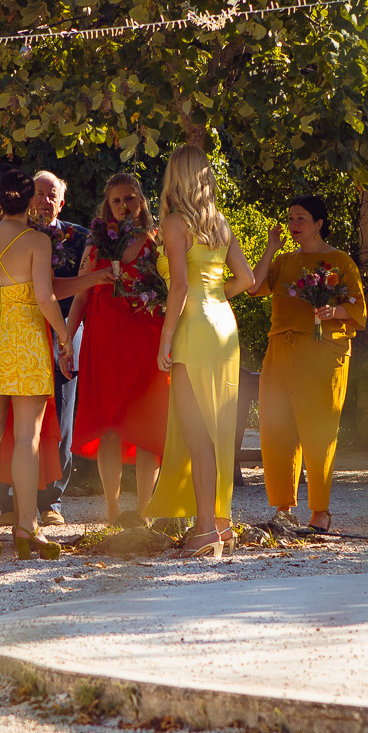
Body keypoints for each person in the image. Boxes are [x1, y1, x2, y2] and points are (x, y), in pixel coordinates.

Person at [143, 145, 255, 558]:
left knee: (198, 432)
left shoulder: (175, 223)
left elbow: (179, 286)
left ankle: (206, 528)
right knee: (220, 427)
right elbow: (246, 280)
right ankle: (220, 524)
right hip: (224, 325)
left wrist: (165, 337)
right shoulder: (219, 224)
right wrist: (216, 298)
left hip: (194, 326)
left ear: (175, 177)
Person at [0, 167, 74, 559]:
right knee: (27, 436)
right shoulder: (37, 241)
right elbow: (45, 297)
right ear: (28, 201)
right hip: (25, 341)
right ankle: (27, 526)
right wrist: (62, 338)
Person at [248, 195, 368, 534]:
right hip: (280, 351)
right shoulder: (284, 260)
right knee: (276, 428)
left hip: (321, 354)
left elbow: (358, 309)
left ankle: (320, 512)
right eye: (290, 218)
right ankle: (283, 509)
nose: (293, 224)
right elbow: (254, 286)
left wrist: (333, 311)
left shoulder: (339, 261)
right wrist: (271, 247)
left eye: (301, 218)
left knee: (318, 431)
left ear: (318, 223)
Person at [65, 172, 166, 525]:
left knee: (145, 425)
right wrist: (66, 341)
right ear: (108, 206)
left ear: (142, 202)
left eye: (130, 199)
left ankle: (143, 512)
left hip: (146, 339)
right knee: (108, 425)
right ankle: (112, 510)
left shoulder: (159, 241)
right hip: (105, 340)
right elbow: (80, 295)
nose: (124, 206)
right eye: (117, 201)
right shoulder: (96, 244)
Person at [0, 168, 86, 528]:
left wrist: (66, 335)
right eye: (38, 193)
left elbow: (80, 288)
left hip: (63, 329)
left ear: (61, 203)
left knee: (61, 414)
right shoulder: (9, 234)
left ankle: (52, 501)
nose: (44, 200)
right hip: (18, 332)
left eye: (52, 195)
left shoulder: (80, 239)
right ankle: (8, 502)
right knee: (11, 418)